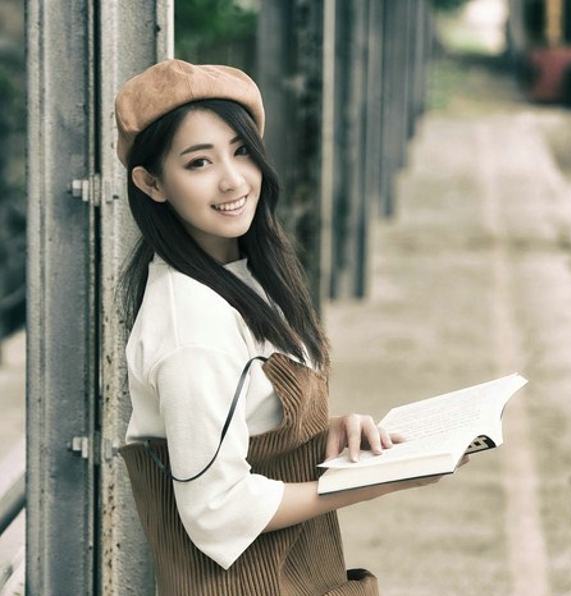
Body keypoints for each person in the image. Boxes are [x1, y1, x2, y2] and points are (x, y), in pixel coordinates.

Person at [115, 59, 442, 596]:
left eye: (241, 151)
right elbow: (216, 509)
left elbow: (245, 424)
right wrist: (367, 482)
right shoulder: (189, 329)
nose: (232, 179)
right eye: (198, 163)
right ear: (152, 183)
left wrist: (324, 435)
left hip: (296, 572)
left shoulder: (244, 275)